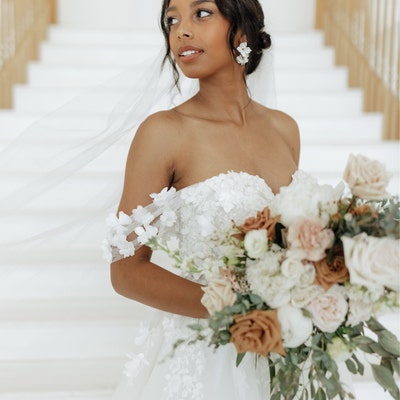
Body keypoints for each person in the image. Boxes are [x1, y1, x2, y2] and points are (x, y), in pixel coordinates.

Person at [106, 0, 300, 398]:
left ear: (242, 31)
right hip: (202, 358)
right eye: (171, 20)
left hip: (281, 347)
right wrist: (239, 311)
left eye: (202, 13)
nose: (181, 30)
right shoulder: (164, 132)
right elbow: (125, 270)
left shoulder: (285, 129)